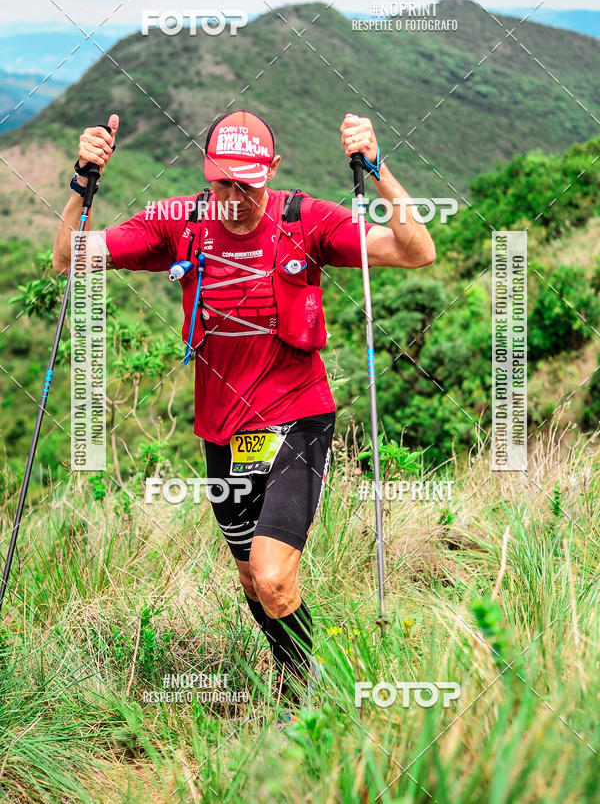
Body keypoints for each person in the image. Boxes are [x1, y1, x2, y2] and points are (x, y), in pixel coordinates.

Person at [52, 109, 435, 708]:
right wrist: (83, 182)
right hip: (222, 430)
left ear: (272, 173)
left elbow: (416, 251)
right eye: (221, 182)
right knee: (254, 582)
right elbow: (71, 257)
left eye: (247, 184)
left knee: (275, 575)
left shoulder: (303, 219)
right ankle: (297, 672)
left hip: (297, 418)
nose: (232, 197)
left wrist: (378, 170)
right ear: (206, 175)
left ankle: (309, 696)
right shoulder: (179, 223)